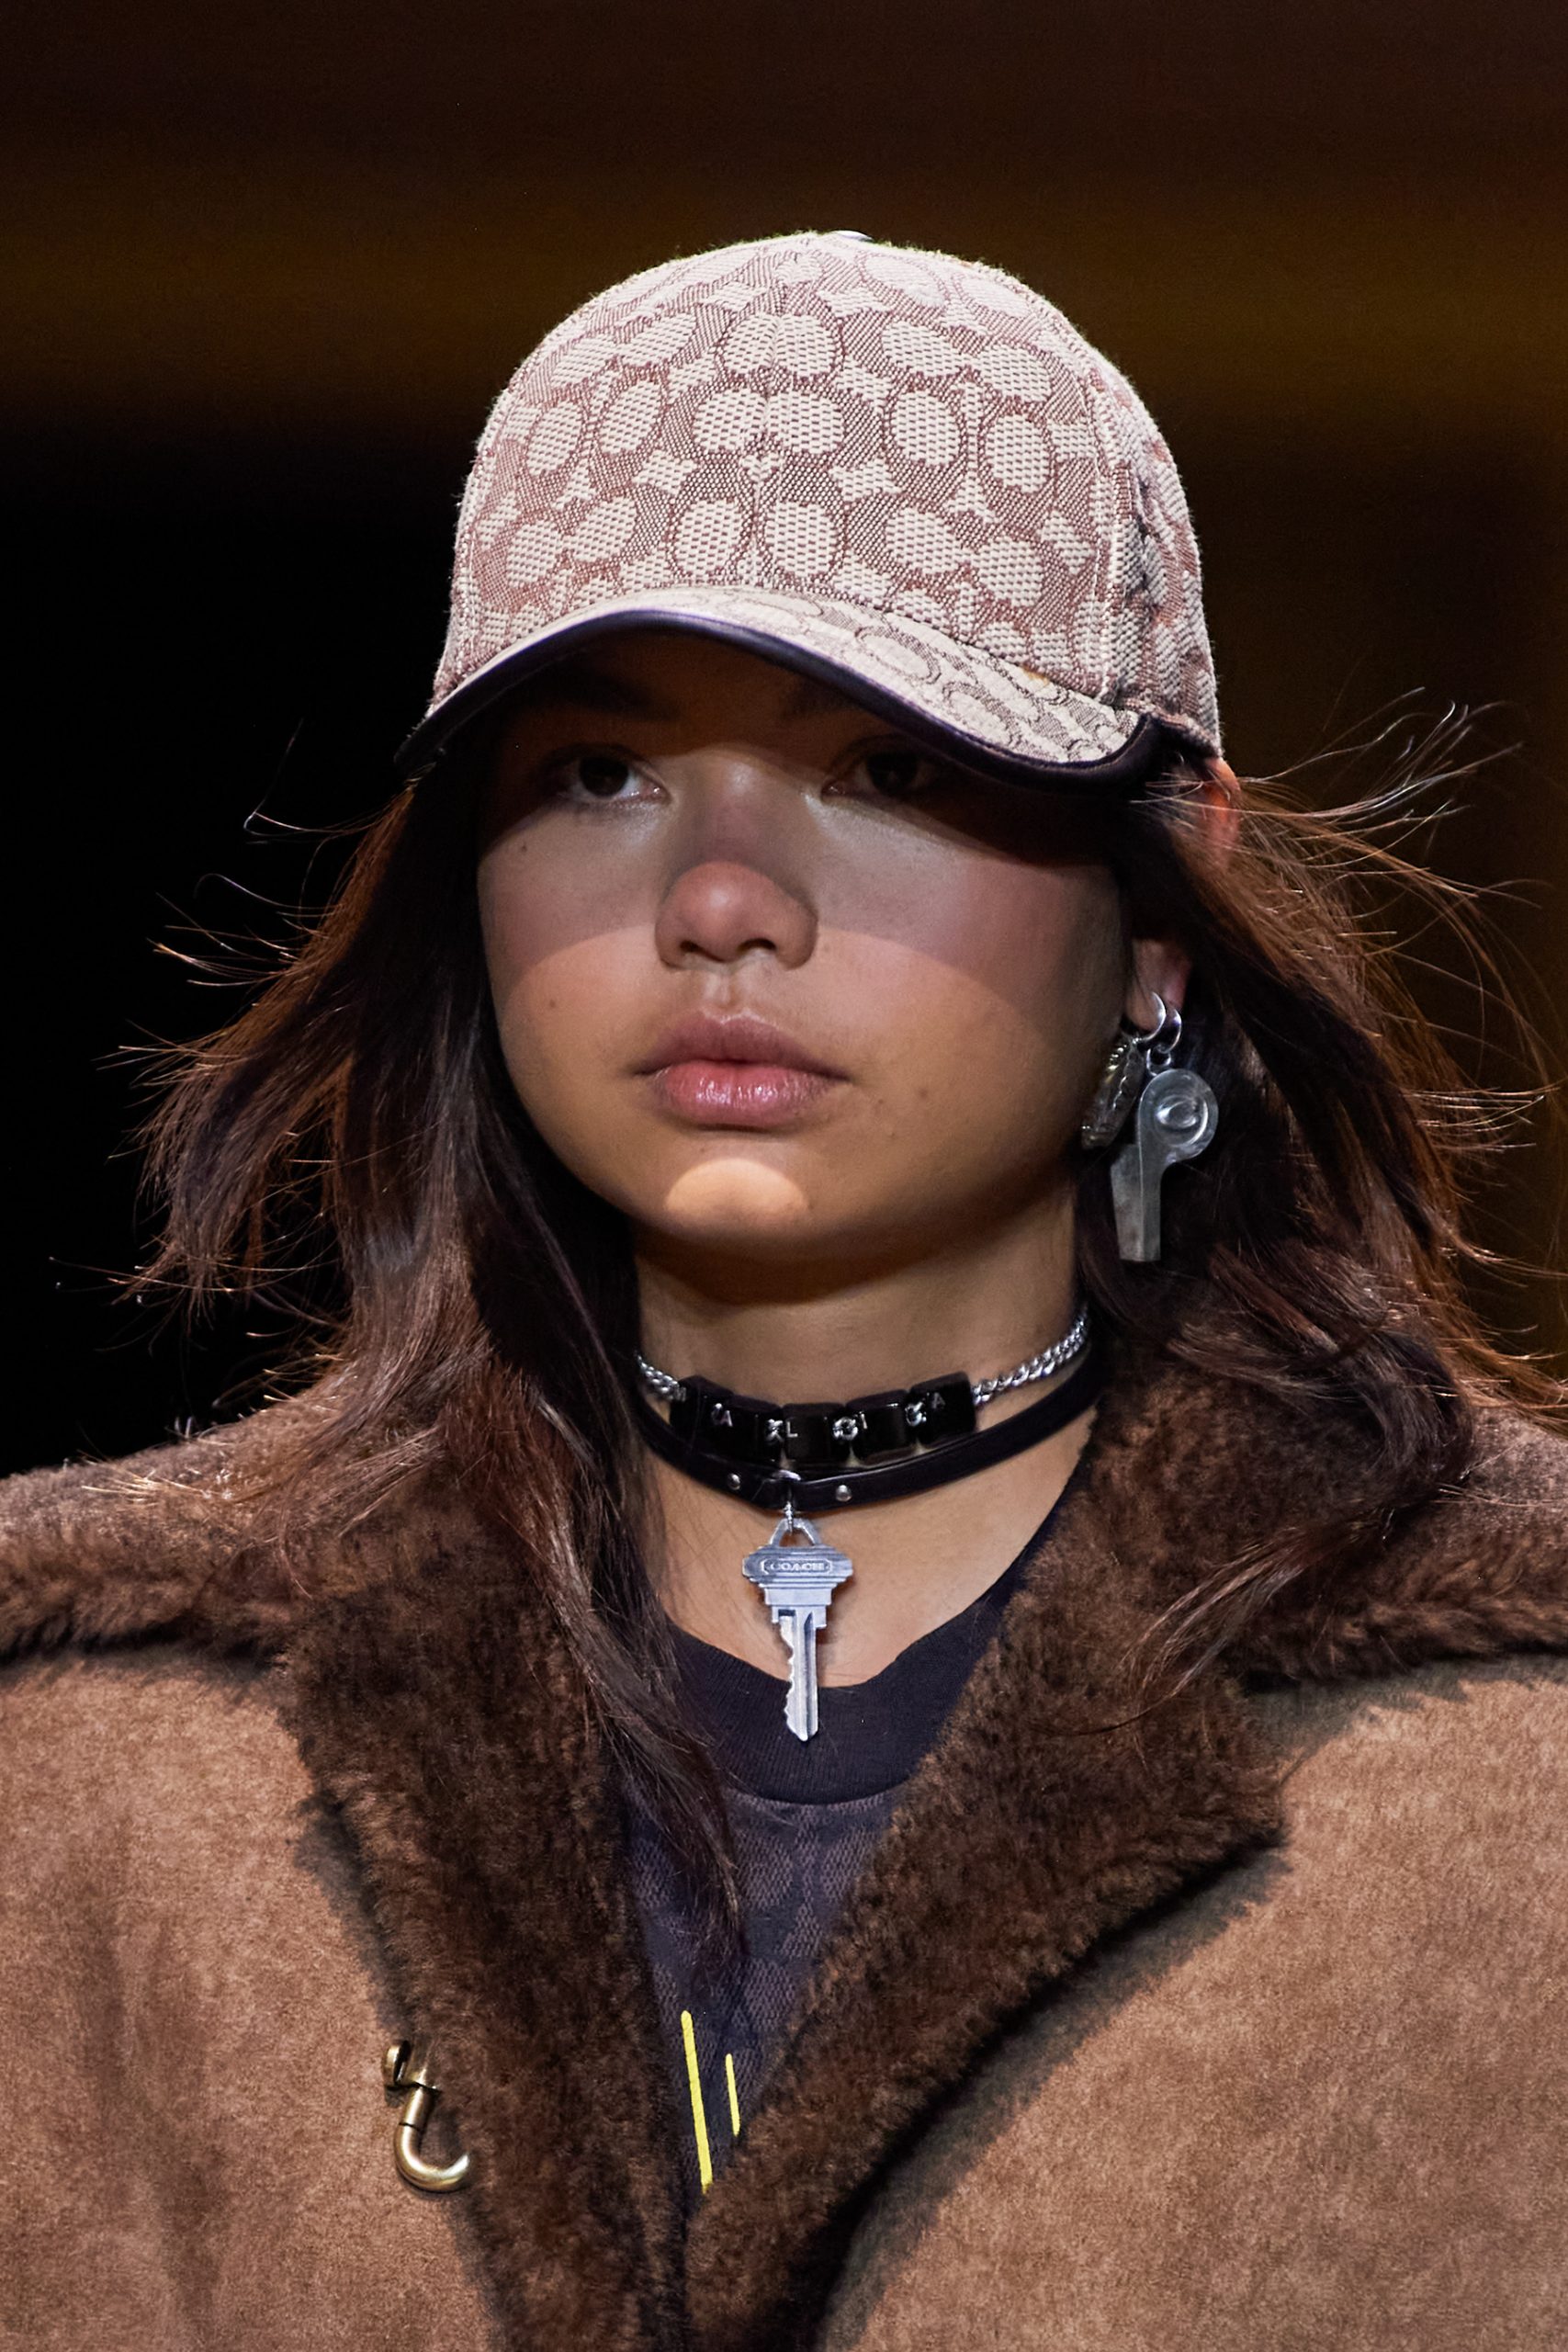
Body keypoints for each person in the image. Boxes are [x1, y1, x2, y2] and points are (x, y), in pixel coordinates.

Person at [5, 228, 1567, 2352]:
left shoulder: (1510, 1753)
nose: (721, 901)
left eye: (890, 766)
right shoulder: (94, 1740)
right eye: (598, 773)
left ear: (1163, 895)